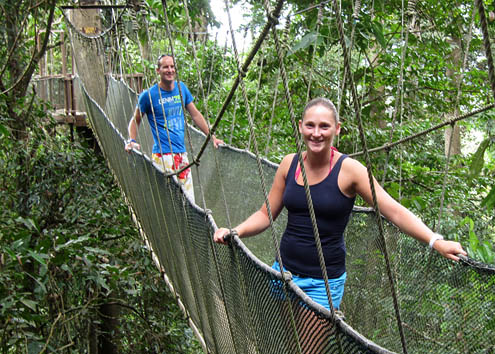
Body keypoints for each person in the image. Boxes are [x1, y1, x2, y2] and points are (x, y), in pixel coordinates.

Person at [213, 97, 466, 310]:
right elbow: (266, 214)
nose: (316, 133)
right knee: (287, 352)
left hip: (323, 283)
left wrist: (435, 241)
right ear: (300, 127)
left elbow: (394, 211)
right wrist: (236, 231)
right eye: (310, 125)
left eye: (324, 126)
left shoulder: (351, 171)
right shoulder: (289, 164)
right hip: (283, 272)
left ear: (337, 129)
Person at [125, 54, 223, 202]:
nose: (170, 70)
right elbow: (135, 119)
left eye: (172, 66)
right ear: (158, 70)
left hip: (181, 156)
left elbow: (195, 115)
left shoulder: (181, 88)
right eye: (165, 67)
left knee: (189, 203)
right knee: (168, 203)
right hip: (162, 157)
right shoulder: (148, 96)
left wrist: (212, 137)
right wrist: (131, 140)